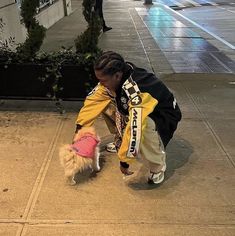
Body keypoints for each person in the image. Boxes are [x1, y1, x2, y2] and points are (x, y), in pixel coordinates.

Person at [73, 51, 182, 185]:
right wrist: (80, 128)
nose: (100, 83)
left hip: (163, 115)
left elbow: (135, 129)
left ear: (117, 76)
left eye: (103, 80)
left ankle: (158, 166)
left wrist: (125, 160)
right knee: (106, 104)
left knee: (144, 126)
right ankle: (120, 141)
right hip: (139, 108)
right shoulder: (116, 76)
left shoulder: (135, 91)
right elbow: (93, 101)